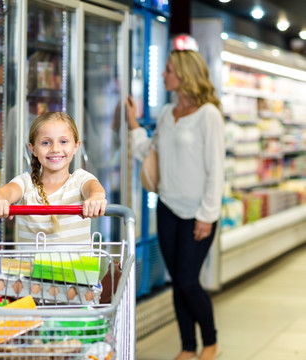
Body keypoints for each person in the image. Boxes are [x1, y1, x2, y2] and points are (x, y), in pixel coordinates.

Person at [125, 49, 224, 360]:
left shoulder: (209, 114)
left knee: (187, 279)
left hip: (198, 213)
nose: (164, 74)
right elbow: (149, 152)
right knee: (177, 282)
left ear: (183, 74)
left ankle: (210, 342)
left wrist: (207, 215)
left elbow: (216, 170)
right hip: (167, 207)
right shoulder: (168, 113)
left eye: (168, 70)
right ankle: (187, 347)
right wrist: (132, 123)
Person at [0, 111, 107, 248]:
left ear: (76, 146)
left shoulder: (80, 179)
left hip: (76, 270)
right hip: (30, 270)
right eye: (46, 143)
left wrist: (96, 197)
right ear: (33, 149)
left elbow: (94, 187)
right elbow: (7, 191)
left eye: (63, 141)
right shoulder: (26, 184)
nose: (55, 149)